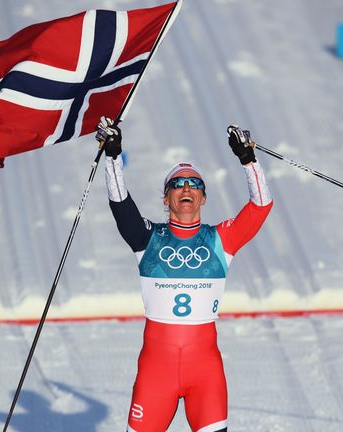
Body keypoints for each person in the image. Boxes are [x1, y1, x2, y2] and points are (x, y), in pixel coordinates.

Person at [96, 117, 273, 432]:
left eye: (194, 184)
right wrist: (113, 158)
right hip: (156, 371)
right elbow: (120, 205)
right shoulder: (147, 239)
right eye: (177, 185)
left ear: (203, 198)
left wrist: (249, 161)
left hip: (204, 372)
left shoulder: (222, 239)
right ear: (166, 199)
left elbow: (261, 206)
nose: (186, 188)